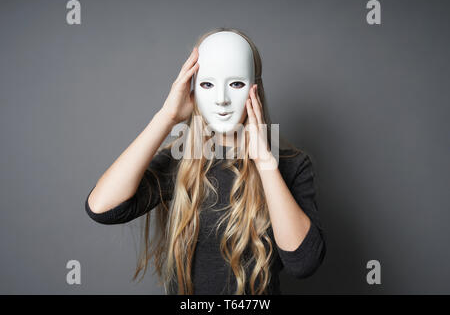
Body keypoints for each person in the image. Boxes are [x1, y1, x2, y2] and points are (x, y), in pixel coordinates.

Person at [85, 27, 326, 295]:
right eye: (207, 84)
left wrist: (264, 160)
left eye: (235, 83)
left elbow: (304, 262)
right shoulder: (180, 161)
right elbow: (101, 208)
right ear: (192, 89)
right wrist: (167, 117)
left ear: (254, 87)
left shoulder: (291, 164)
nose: (222, 99)